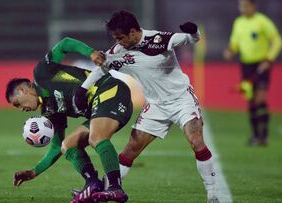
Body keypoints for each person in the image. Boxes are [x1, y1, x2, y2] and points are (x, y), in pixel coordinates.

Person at [73, 10, 220, 203]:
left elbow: (191, 40)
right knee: (130, 150)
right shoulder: (119, 51)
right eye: (115, 38)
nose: (118, 42)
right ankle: (106, 190)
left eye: (121, 37)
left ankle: (213, 195)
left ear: (133, 32)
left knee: (196, 141)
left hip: (181, 100)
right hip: (156, 106)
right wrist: (82, 91)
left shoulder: (159, 39)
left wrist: (194, 32)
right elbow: (102, 67)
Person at [5, 37, 133, 203]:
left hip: (109, 90)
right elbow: (57, 146)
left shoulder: (42, 73)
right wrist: (34, 172)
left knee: (97, 137)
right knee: (68, 145)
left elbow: (65, 44)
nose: (21, 109)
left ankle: (115, 188)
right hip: (99, 109)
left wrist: (91, 53)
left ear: (22, 90)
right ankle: (92, 183)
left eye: (17, 104)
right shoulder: (49, 111)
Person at [223, 0, 282, 146]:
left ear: (253, 6)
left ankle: (264, 135)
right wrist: (230, 51)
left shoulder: (262, 21)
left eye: (244, 6)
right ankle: (256, 135)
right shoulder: (238, 22)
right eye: (240, 6)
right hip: (246, 66)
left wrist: (269, 60)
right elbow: (235, 43)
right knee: (250, 101)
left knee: (260, 99)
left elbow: (278, 41)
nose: (241, 9)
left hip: (261, 64)